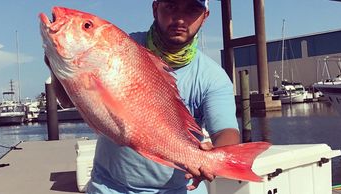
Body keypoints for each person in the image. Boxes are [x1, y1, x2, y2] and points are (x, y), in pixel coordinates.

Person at [46, 0, 240, 193]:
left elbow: (227, 131)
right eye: (171, 6)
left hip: (182, 189)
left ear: (204, 17)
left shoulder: (212, 77)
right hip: (110, 187)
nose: (180, 18)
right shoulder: (120, 47)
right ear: (155, 9)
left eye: (192, 10)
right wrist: (55, 63)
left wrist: (212, 160)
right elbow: (67, 100)